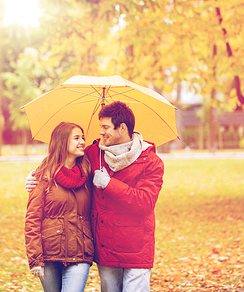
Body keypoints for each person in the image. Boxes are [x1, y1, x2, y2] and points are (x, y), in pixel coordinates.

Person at [26, 101, 164, 292]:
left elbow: (145, 203)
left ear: (122, 128)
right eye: (100, 127)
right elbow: (61, 159)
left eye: (105, 127)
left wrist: (108, 184)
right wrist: (35, 176)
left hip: (136, 248)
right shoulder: (93, 154)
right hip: (106, 247)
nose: (100, 132)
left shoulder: (150, 161)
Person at [25, 122, 94, 292]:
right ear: (63, 142)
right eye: (77, 138)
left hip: (80, 252)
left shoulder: (88, 173)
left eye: (83, 137)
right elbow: (33, 219)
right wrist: (35, 259)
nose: (82, 142)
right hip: (50, 253)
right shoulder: (43, 175)